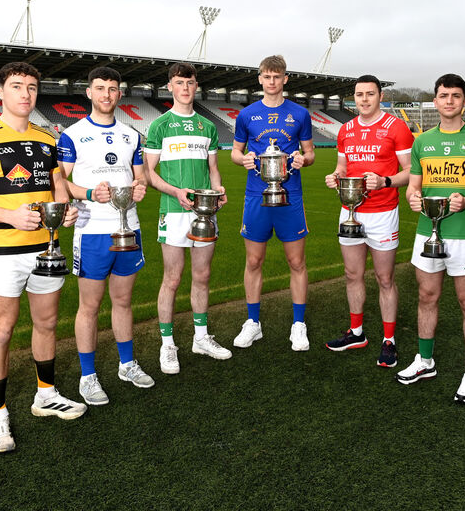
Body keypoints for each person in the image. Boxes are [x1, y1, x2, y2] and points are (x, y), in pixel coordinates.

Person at [0, 62, 86, 454]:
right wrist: (10, 216)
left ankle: (45, 394)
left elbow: (58, 184)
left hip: (46, 248)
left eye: (32, 87)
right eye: (17, 86)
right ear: (0, 92)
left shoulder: (48, 138)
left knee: (46, 323)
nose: (26, 93)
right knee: (2, 331)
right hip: (4, 250)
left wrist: (66, 209)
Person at [396, 74, 465, 405]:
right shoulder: (422, 141)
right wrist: (413, 197)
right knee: (427, 296)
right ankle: (425, 361)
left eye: (456, 95)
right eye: (444, 95)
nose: (450, 100)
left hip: (464, 235)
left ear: (464, 101)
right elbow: (414, 184)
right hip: (428, 232)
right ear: (435, 101)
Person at [57, 66, 154, 406]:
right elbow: (61, 181)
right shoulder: (72, 134)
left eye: (113, 89)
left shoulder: (131, 135)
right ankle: (88, 376)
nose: (107, 94)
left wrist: (139, 188)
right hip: (92, 230)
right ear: (89, 93)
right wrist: (86, 193)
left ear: (119, 94)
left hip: (129, 226)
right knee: (90, 305)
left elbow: (140, 176)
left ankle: (127, 364)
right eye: (100, 88)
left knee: (124, 301)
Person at [144, 62, 231, 375]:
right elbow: (149, 174)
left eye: (190, 82)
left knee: (203, 275)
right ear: (170, 86)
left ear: (196, 87)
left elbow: (214, 169)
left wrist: (218, 188)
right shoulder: (160, 126)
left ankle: (200, 337)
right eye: (179, 82)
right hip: (173, 211)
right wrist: (176, 191)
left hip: (204, 212)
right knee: (172, 278)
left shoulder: (208, 128)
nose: (185, 87)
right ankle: (167, 344)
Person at [324, 74, 413, 367]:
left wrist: (385, 181)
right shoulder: (346, 129)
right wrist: (335, 177)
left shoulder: (396, 127)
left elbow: (411, 172)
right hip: (350, 211)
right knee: (352, 275)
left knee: (385, 278)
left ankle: (389, 340)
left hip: (383, 213)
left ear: (380, 97)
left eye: (370, 94)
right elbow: (342, 166)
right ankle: (357, 332)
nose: (364, 99)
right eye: (359, 94)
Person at [230, 55, 316, 352]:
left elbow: (310, 153)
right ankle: (253, 323)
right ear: (260, 79)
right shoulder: (247, 115)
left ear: (285, 79)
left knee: (296, 262)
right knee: (254, 261)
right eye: (267, 77)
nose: (272, 82)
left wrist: (304, 159)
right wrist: (243, 159)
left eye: (277, 77)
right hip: (257, 194)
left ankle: (298, 325)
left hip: (290, 195)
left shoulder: (300, 114)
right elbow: (234, 152)